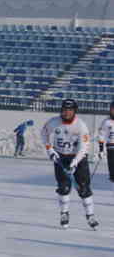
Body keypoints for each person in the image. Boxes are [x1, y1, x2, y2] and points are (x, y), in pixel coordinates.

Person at [41, 98, 98, 230]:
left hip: (78, 158)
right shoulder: (54, 122)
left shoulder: (81, 125)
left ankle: (90, 215)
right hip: (60, 157)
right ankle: (64, 214)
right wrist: (50, 149)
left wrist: (75, 162)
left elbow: (84, 147)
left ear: (74, 111)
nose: (66, 113)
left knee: (83, 188)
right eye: (64, 110)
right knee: (64, 187)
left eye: (70, 110)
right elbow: (43, 133)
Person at [97, 99, 114, 199]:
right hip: (111, 149)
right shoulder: (106, 122)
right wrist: (101, 150)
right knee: (112, 175)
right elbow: (101, 136)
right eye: (112, 109)